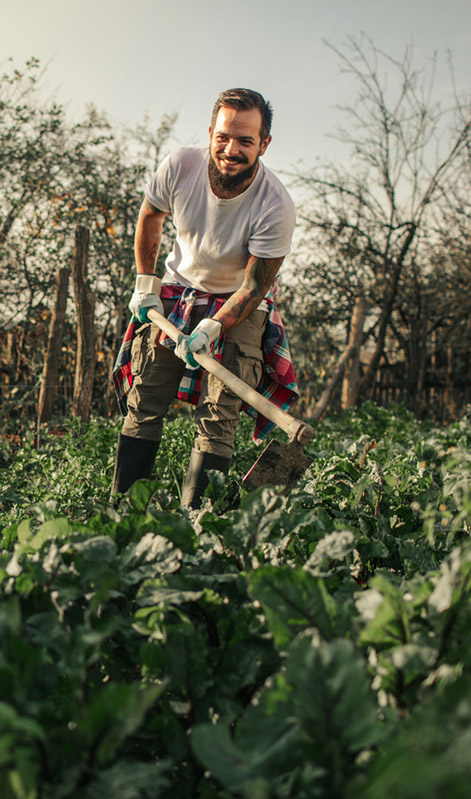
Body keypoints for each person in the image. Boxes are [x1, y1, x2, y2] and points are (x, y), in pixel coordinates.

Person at [111, 88, 299, 509]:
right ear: (211, 131)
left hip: (238, 301)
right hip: (178, 292)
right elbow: (150, 215)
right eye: (223, 137)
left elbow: (254, 287)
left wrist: (214, 326)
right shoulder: (181, 165)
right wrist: (147, 282)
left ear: (264, 144)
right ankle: (123, 512)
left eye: (245, 141)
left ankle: (198, 524)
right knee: (144, 401)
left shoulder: (276, 205)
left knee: (219, 415)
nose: (231, 150)